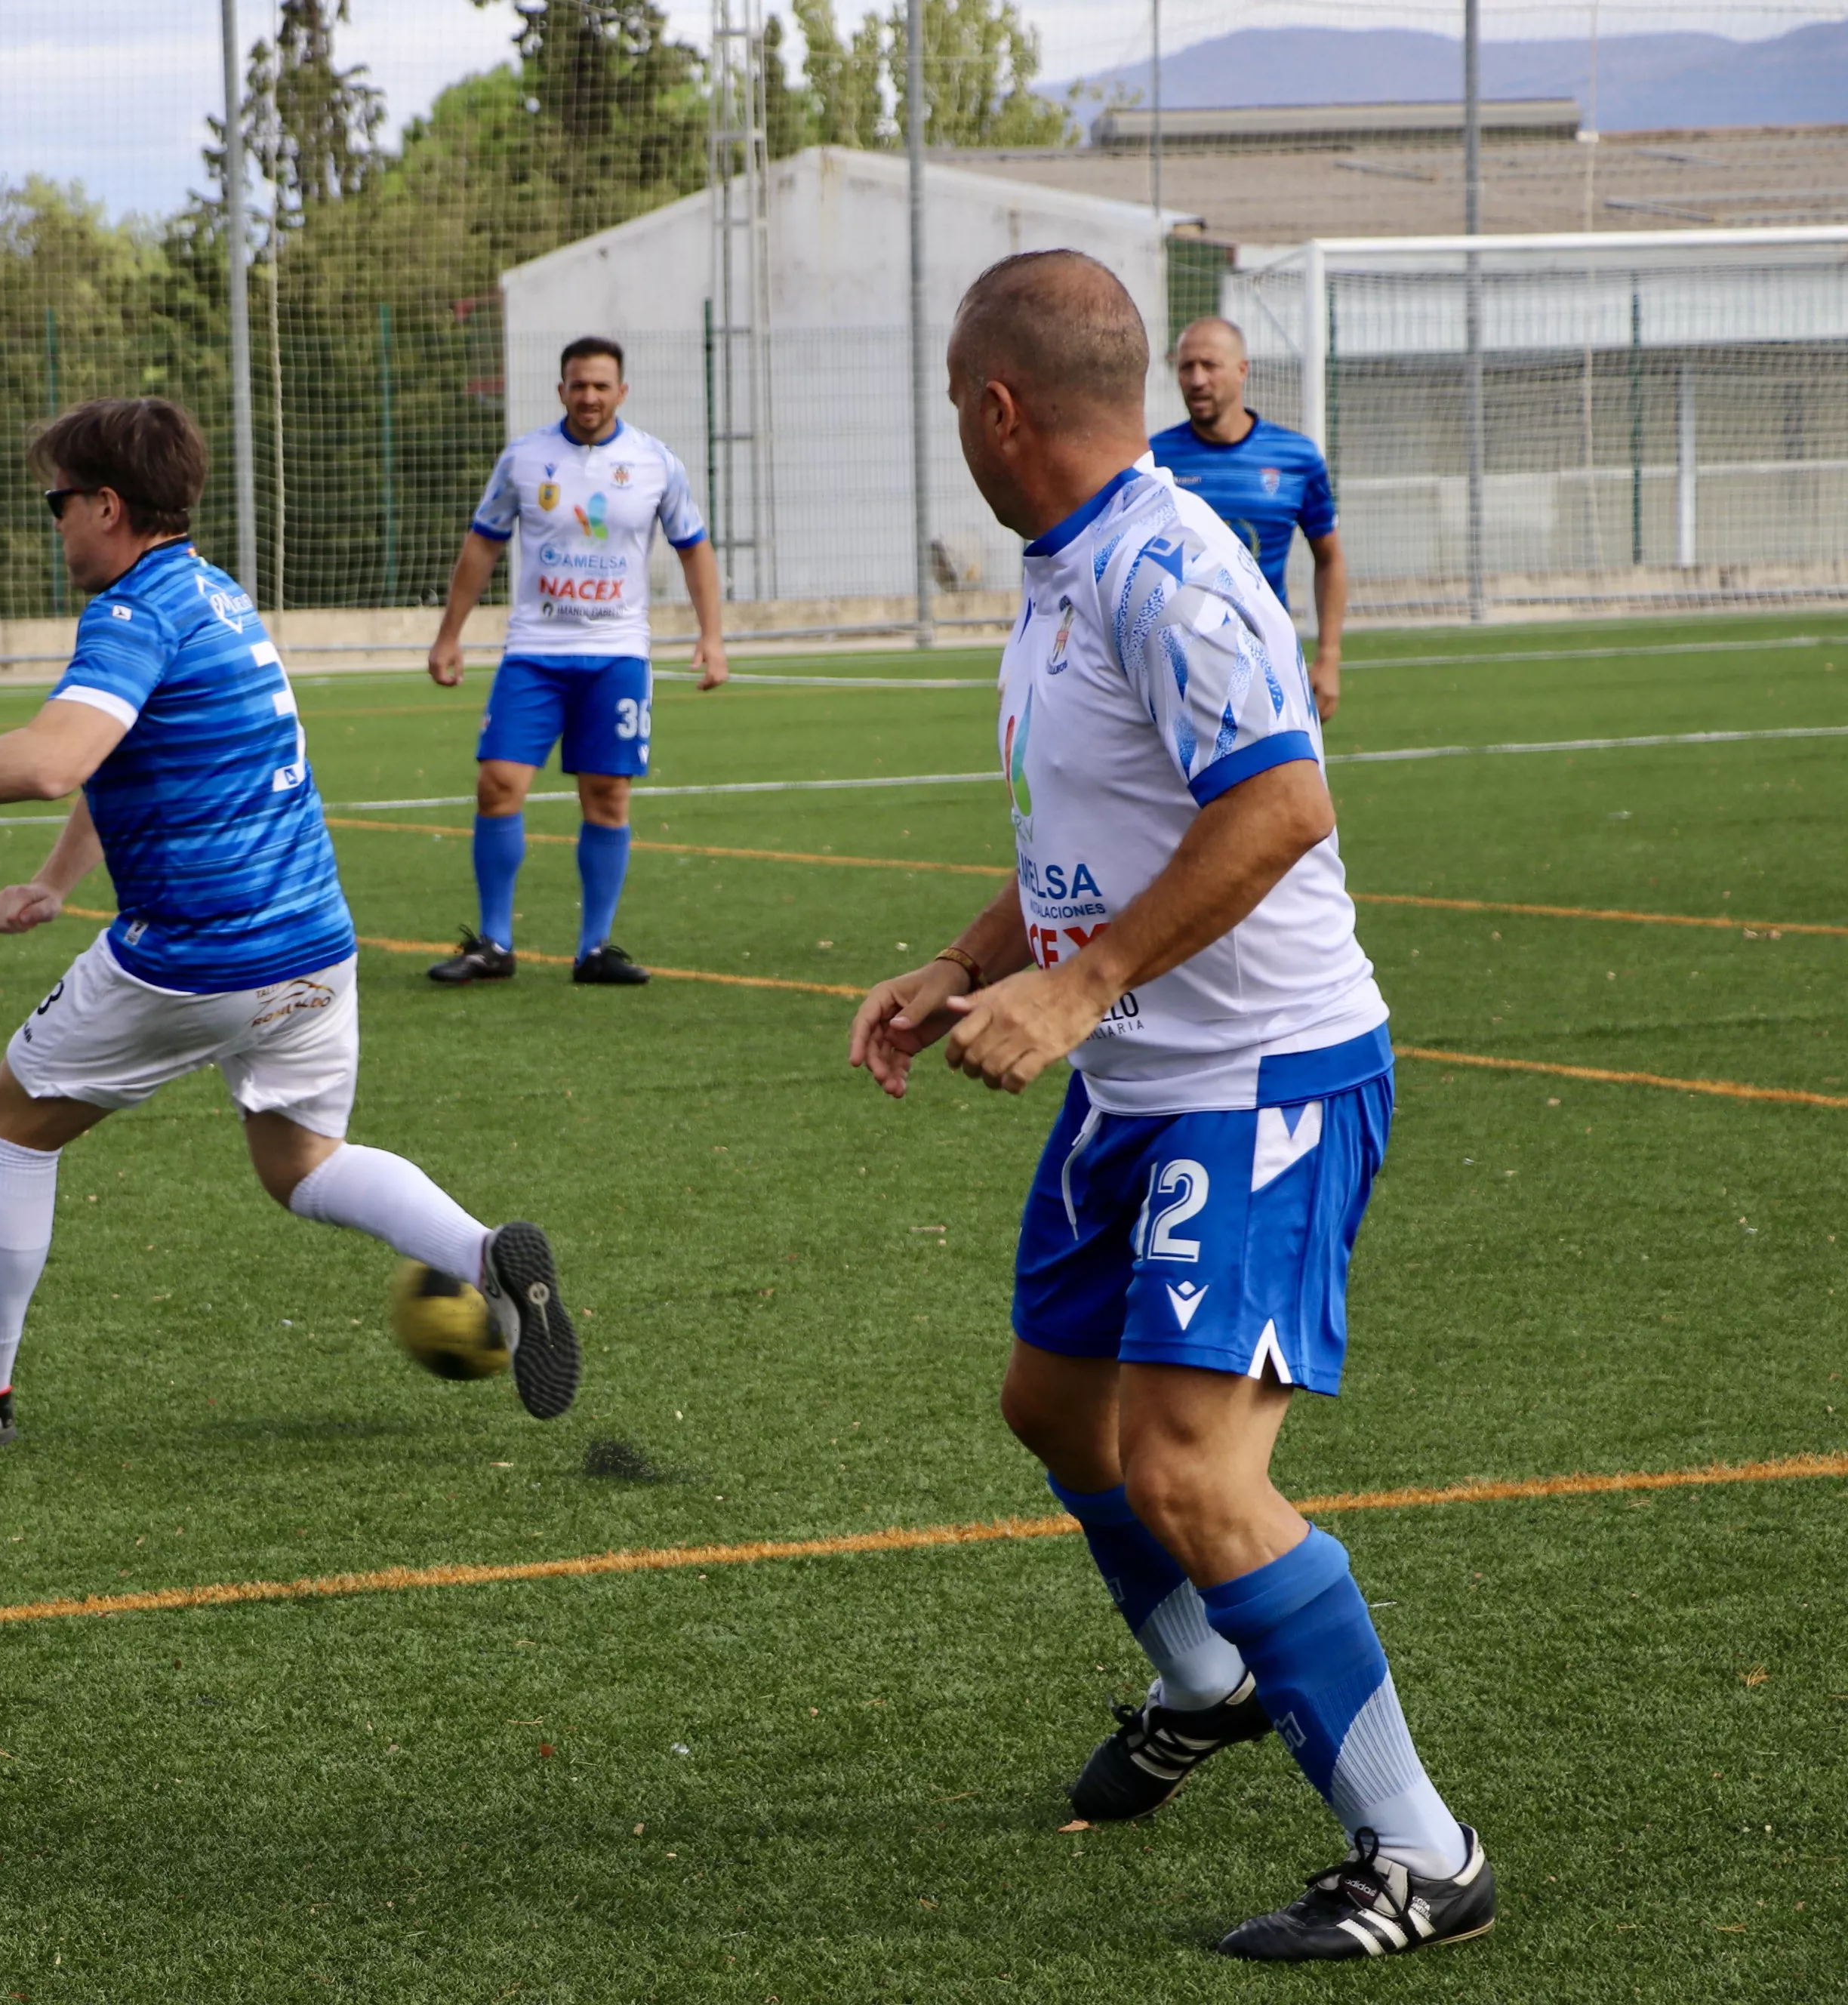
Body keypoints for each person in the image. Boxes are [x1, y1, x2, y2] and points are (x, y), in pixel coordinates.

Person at [848, 251, 1492, 1960]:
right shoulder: (1066, 568)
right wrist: (971, 958)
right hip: (1137, 1076)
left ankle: (1422, 1847)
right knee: (1056, 1404)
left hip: (1258, 1075)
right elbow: (1099, 817)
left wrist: (1077, 986)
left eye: (950, 405)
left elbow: (1280, 802)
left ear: (998, 410)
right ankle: (1203, 1673)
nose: (954, 433)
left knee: (1192, 1471)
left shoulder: (1166, 563)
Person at [0, 396, 580, 1445]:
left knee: (7, 1121)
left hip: (198, 954)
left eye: (57, 503)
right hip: (315, 943)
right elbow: (120, 758)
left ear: (107, 505)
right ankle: (483, 1253)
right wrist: (58, 879)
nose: (53, 524)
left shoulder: (134, 611)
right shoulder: (217, 595)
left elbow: (58, 757)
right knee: (303, 1165)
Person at [421, 335, 727, 987]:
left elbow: (694, 548)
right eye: (578, 385)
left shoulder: (655, 463)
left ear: (622, 391)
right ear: (561, 390)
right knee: (498, 782)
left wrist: (713, 637)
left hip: (617, 656)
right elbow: (483, 546)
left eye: (601, 385)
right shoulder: (525, 460)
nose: (589, 396)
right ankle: (495, 944)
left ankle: (595, 949)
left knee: (607, 796)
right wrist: (450, 634)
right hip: (534, 653)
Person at [1152, 316, 1348, 719]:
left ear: (1243, 370)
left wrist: (1328, 656)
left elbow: (1329, 558)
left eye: (1209, 365)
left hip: (1268, 662)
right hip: (1177, 668)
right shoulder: (1153, 461)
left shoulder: (1296, 459)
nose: (1196, 379)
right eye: (1186, 367)